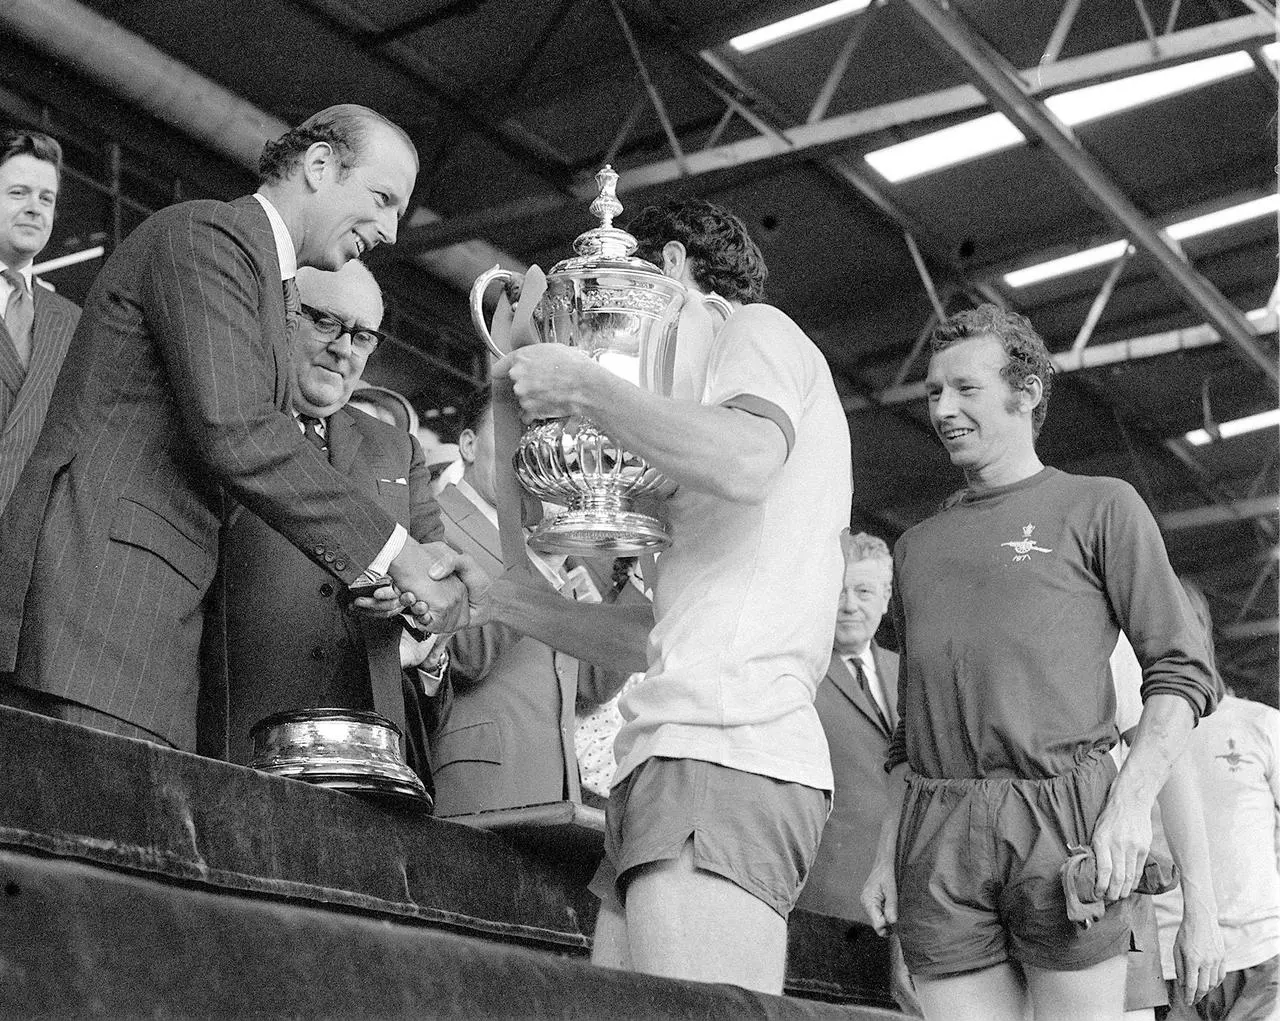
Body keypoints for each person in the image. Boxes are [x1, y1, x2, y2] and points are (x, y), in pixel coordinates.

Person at [0, 104, 482, 751]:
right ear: (318, 166)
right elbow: (239, 431)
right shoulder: (211, 236)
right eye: (383, 197)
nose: (394, 230)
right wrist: (400, 557)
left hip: (147, 638)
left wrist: (379, 582)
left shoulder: (264, 283)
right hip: (96, 621)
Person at [494, 198, 851, 993]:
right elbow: (646, 638)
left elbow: (751, 460)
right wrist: (501, 601)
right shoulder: (682, 435)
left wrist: (586, 384)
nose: (616, 342)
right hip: (670, 747)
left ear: (678, 269)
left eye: (623, 307)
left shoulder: (754, 330)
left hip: (723, 748)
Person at [860, 304, 1218, 1021]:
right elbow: (912, 727)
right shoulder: (916, 548)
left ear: (1025, 394)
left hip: (1065, 818)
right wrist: (883, 853)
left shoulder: (1102, 507)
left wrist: (1130, 805)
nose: (944, 408)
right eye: (933, 392)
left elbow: (1180, 673)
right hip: (939, 827)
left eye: (966, 388)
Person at [198, 261, 448, 776]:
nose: (344, 349)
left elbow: (437, 584)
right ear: (281, 316)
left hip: (371, 753)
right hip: (231, 738)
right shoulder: (224, 421)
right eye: (326, 323)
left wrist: (414, 612)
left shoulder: (397, 449)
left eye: (363, 337)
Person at [430, 385, 628, 816]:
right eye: (513, 435)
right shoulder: (432, 520)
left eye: (539, 445)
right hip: (474, 784)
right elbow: (461, 658)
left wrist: (637, 576)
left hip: (557, 789)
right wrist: (544, 563)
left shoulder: (542, 548)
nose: (526, 458)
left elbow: (594, 685)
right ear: (468, 444)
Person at [797, 529, 917, 1013]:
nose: (849, 605)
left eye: (864, 591)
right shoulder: (798, 670)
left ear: (886, 599)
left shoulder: (907, 668)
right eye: (838, 591)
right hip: (824, 894)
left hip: (910, 899)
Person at [1154, 582, 1277, 1021]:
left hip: (1263, 956)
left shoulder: (1261, 723)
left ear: (1202, 627)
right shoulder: (1128, 736)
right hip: (1168, 962)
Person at [0, 129, 80, 512]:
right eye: (18, 193)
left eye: (45, 198)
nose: (34, 207)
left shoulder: (72, 322)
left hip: (23, 545)